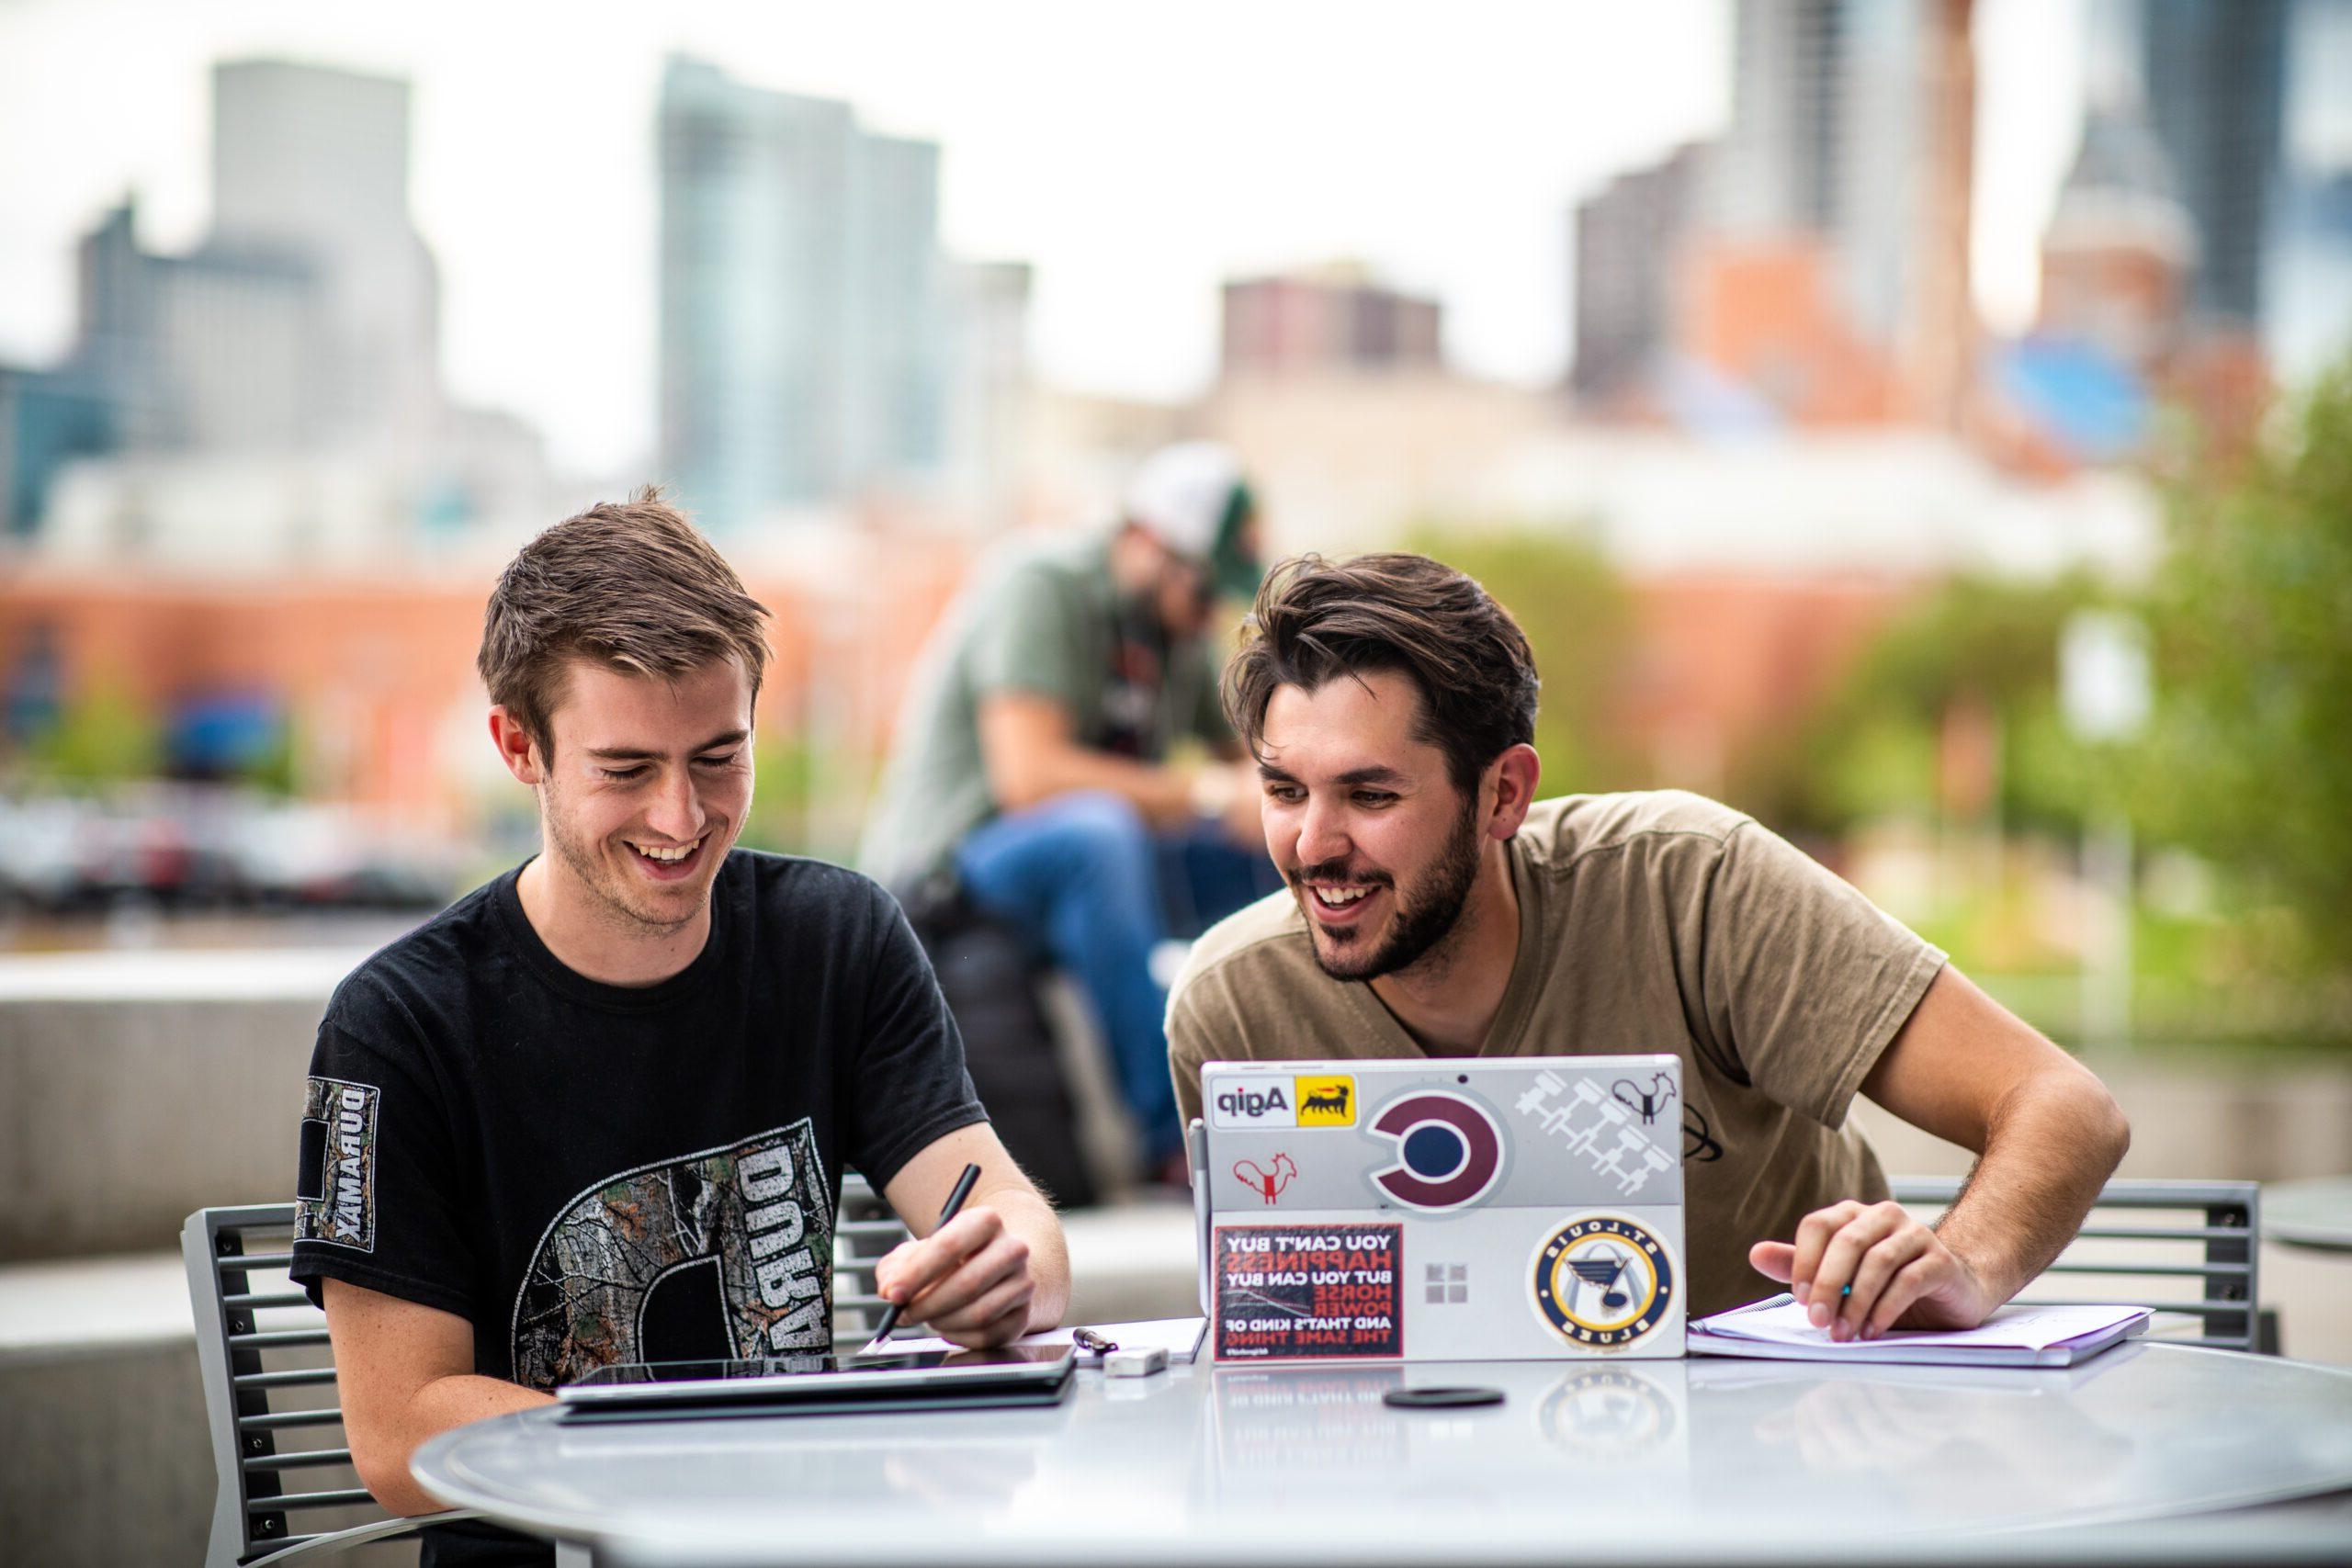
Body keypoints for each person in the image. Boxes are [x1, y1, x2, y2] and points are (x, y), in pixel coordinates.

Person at [289, 491, 1068, 1567]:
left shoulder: (836, 937)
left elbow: (1010, 1218)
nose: (681, 817)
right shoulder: (400, 1025)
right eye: (625, 770)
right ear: (521, 748)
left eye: (718, 757)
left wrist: (1007, 1273)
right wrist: (719, 1462)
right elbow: (396, 1430)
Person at [1167, 552, 2132, 1332]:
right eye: (1284, 791)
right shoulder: (1232, 1004)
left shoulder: (1691, 884)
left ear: (1502, 793)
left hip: (1784, 1461)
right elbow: (1275, 1340)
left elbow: (2064, 1108)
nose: (1312, 845)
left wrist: (1962, 1263)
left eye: (1370, 796)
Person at [859, 441, 1275, 1176]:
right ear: (1149, 545)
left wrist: (1287, 803)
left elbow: (1246, 765)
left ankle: (1303, 1098)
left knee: (1279, 845)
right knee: (1101, 833)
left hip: (1076, 866)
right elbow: (1033, 778)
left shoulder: (1171, 633)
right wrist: (1213, 794)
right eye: (1205, 590)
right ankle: (1172, 1138)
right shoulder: (1041, 582)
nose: (1210, 612)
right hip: (950, 874)